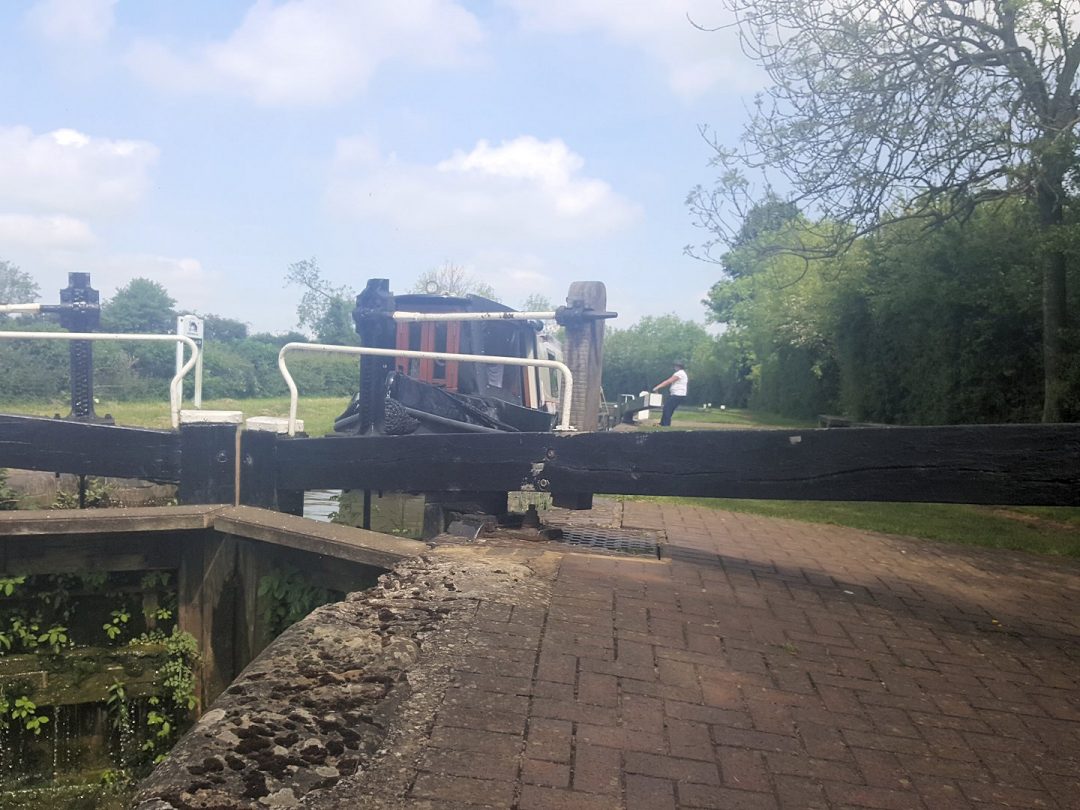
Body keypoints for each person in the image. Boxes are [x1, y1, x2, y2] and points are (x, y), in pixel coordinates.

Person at [653, 361, 688, 427]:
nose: (674, 367)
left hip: (677, 394)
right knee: (667, 408)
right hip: (677, 394)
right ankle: (662, 423)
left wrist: (657, 387)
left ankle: (666, 424)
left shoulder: (679, 373)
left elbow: (669, 381)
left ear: (678, 367)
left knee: (667, 408)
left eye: (675, 366)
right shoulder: (682, 373)